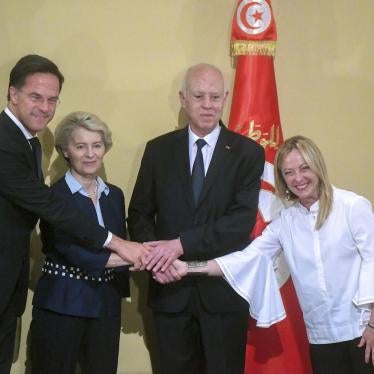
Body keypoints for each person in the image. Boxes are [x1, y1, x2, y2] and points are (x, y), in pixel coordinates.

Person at [155, 135, 374, 374]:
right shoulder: (285, 222)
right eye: (288, 172)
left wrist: (372, 324)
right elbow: (244, 259)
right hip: (321, 336)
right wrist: (187, 268)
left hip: (363, 331)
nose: (298, 179)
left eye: (304, 168)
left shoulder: (352, 206)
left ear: (318, 166)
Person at [0, 54, 145, 373]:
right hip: (58, 303)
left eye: (52, 99)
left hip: (91, 303)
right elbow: (53, 214)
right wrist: (125, 247)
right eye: (35, 96)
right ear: (12, 94)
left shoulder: (30, 143)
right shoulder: (6, 142)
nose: (44, 107)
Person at [127, 63, 265, 374]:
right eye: (199, 96)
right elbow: (139, 213)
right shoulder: (158, 150)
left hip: (223, 296)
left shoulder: (248, 153)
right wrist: (154, 260)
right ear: (183, 98)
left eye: (215, 97)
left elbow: (240, 223)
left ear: (225, 97)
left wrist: (178, 245)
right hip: (168, 293)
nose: (207, 105)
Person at [30, 111, 130, 374]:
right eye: (80, 146)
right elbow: (74, 253)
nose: (90, 154)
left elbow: (123, 242)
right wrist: (140, 256)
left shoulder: (115, 196)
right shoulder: (53, 198)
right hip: (62, 305)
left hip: (106, 306)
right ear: (65, 150)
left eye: (96, 145)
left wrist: (139, 254)